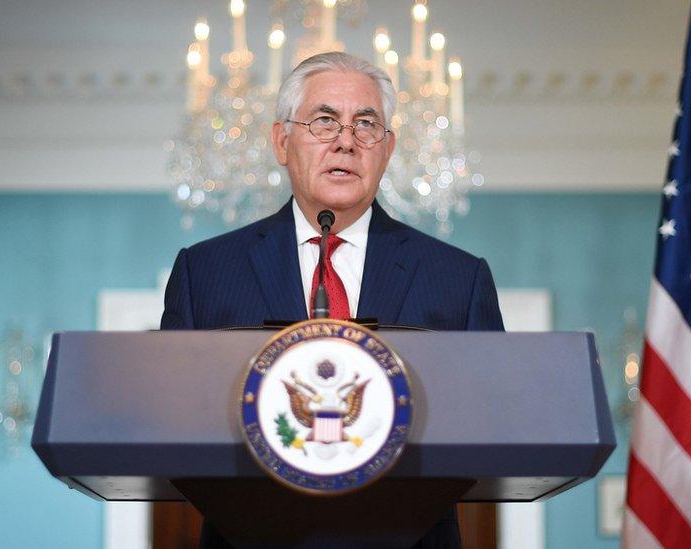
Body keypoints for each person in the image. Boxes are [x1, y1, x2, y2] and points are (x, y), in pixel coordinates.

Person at [161, 51, 504, 548]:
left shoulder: (458, 277)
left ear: (387, 149)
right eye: (324, 121)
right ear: (282, 141)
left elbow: (494, 422)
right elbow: (171, 419)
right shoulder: (206, 271)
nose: (346, 140)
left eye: (366, 125)